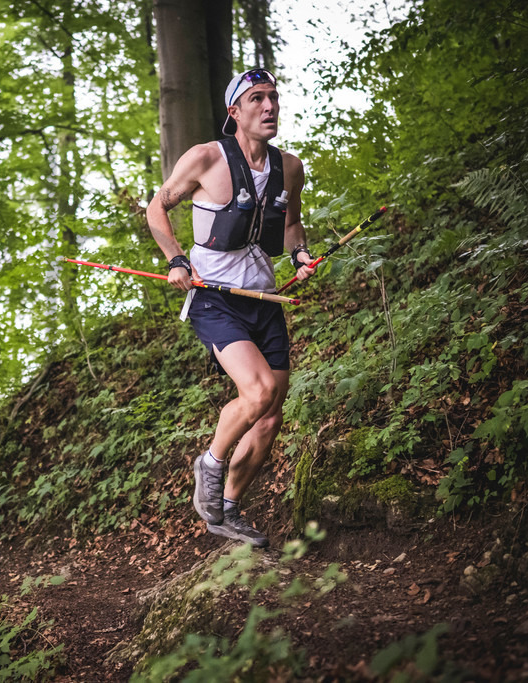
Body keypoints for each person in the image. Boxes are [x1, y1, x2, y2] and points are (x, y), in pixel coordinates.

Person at [146, 68, 316, 548]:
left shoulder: (290, 167)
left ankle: (225, 510)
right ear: (234, 112)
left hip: (263, 298)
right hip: (215, 296)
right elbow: (157, 208)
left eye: (274, 98)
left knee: (268, 419)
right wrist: (175, 258)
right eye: (257, 99)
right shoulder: (205, 158)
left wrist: (301, 255)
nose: (269, 107)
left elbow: (291, 227)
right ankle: (211, 464)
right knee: (258, 390)